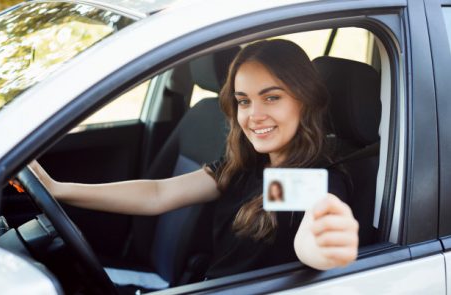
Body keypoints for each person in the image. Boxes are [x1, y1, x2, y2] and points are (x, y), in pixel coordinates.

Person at [30, 39, 359, 279]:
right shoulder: (251, 166)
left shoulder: (314, 179)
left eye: (271, 98)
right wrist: (58, 189)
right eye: (243, 101)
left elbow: (312, 241)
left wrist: (325, 248)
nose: (254, 115)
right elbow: (159, 195)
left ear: (305, 100)